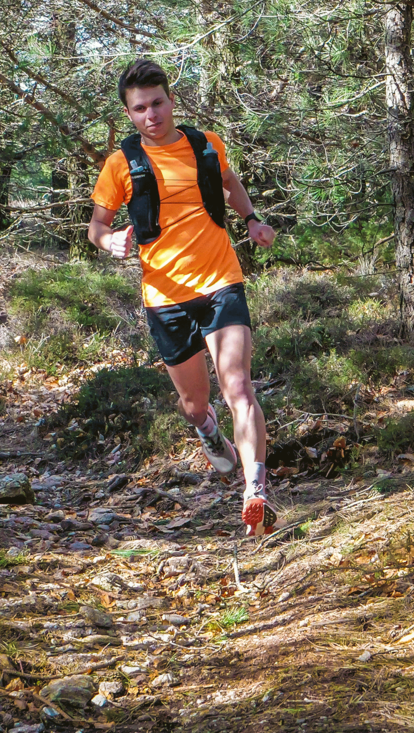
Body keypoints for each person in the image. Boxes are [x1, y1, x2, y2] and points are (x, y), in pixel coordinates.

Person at [89, 59, 280, 535]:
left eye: (157, 103)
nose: (151, 114)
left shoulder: (204, 144)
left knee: (238, 384)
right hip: (165, 297)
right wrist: (109, 241)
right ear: (129, 115)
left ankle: (255, 489)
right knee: (195, 404)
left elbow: (230, 185)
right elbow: (97, 225)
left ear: (171, 101)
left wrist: (252, 219)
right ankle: (208, 430)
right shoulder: (120, 164)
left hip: (220, 282)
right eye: (140, 108)